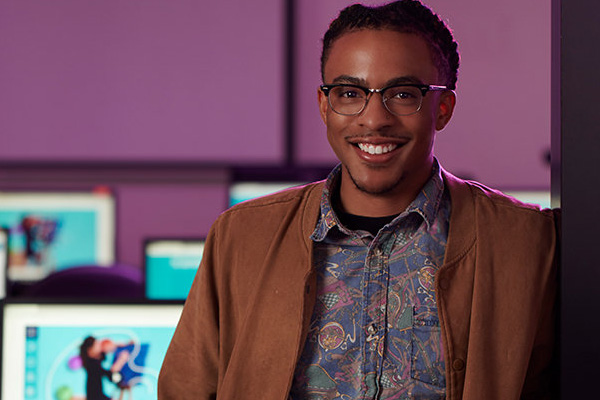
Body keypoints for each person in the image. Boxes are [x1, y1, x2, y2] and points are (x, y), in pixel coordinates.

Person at [158, 1, 558, 399]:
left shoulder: (526, 242)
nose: (373, 119)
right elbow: (186, 390)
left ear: (443, 108)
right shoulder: (241, 237)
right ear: (324, 105)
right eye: (350, 93)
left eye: (402, 94)